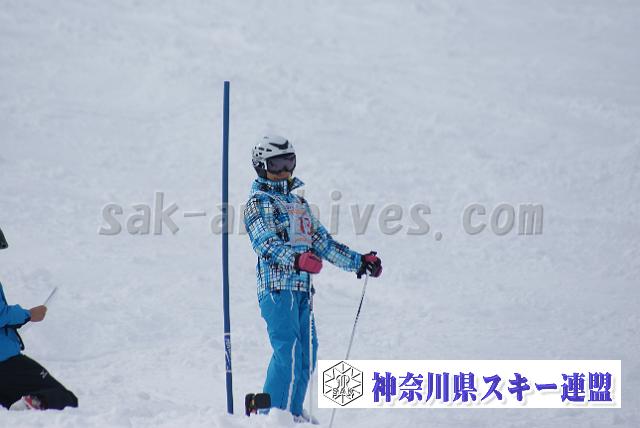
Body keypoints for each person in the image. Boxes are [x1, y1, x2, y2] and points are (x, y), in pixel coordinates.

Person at [244, 135, 382, 423]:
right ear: (261, 166)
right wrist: (295, 259)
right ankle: (273, 416)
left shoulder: (298, 204)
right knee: (289, 352)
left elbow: (323, 244)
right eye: (276, 164)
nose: (284, 170)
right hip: (277, 289)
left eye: (289, 162)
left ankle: (292, 413)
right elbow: (265, 243)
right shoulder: (259, 202)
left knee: (307, 354)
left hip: (302, 291)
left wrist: (359, 262)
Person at [0, 227, 78, 411]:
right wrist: (29, 314)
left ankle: (24, 411)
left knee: (14, 405)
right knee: (62, 397)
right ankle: (32, 404)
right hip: (5, 361)